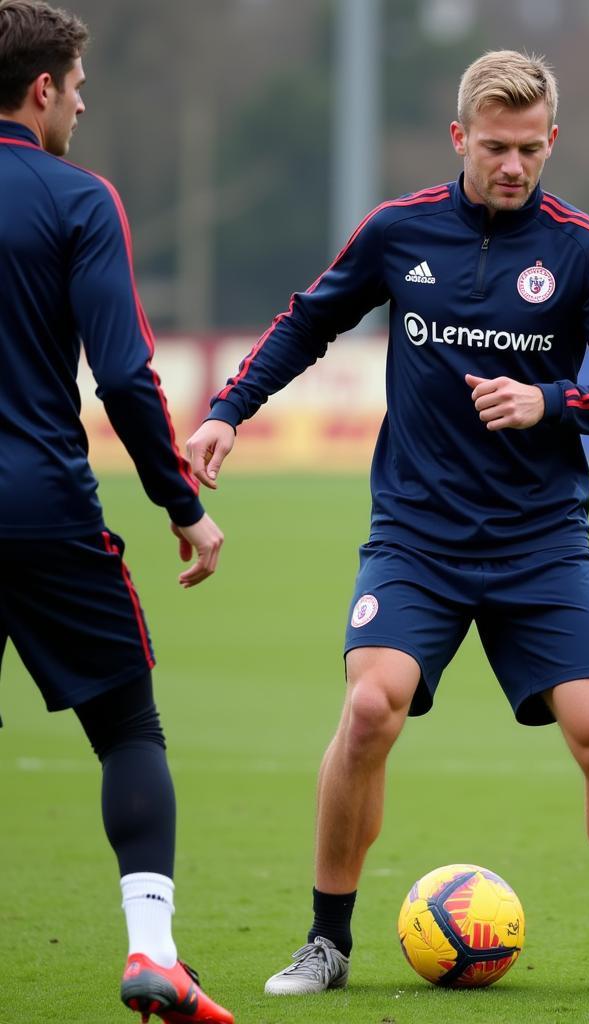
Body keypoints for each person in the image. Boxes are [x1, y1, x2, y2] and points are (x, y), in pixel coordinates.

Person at [186, 50, 589, 998]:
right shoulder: (399, 230)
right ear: (460, 137)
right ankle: (326, 943)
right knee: (370, 707)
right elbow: (307, 321)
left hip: (542, 543)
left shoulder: (584, 249)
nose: (513, 166)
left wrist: (552, 403)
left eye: (531, 149)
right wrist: (227, 409)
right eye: (495, 147)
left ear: (552, 142)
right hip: (417, 538)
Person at [0, 3, 232, 1021]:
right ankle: (151, 957)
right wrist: (182, 503)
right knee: (127, 725)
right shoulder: (78, 199)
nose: (85, 100)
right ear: (42, 88)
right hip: (41, 507)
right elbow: (128, 377)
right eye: (78, 83)